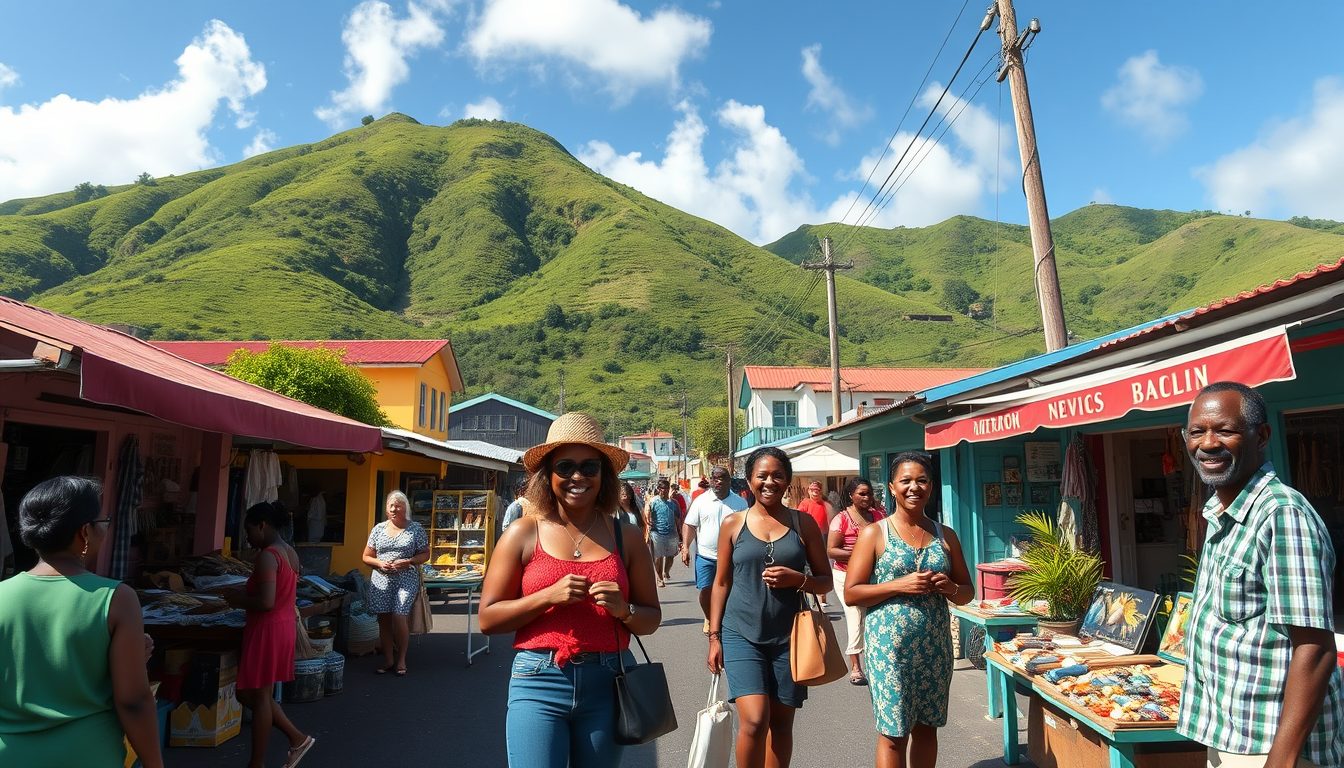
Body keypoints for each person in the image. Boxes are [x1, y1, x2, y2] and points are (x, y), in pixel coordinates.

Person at [479, 412, 662, 768]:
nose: (577, 477)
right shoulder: (522, 532)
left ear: (604, 476)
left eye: (589, 468)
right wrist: (547, 596)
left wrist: (623, 610)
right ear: (547, 475)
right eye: (565, 466)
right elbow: (488, 619)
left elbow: (651, 619)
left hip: (610, 681)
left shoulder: (626, 538)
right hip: (538, 681)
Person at [1177, 382, 1342, 768]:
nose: (1209, 443)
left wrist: (1280, 761)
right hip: (1232, 735)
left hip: (1273, 747)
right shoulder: (1223, 513)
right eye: (1197, 431)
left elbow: (1315, 648)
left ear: (1261, 435)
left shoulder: (1281, 515)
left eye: (1226, 430)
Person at [0, 476, 162, 768]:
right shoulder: (116, 599)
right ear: (84, 533)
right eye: (104, 521)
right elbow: (133, 701)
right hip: (87, 755)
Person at [843, 452, 973, 768]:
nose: (914, 487)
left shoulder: (946, 535)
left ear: (931, 486)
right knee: (894, 734)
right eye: (905, 481)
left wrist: (949, 588)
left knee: (927, 728)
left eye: (922, 480)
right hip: (890, 652)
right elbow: (851, 593)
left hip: (934, 649)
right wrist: (899, 585)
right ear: (891, 487)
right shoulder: (875, 533)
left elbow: (967, 593)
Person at [707, 446, 833, 768]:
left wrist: (798, 579)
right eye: (762, 475)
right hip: (740, 633)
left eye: (778, 475)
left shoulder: (803, 524)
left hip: (790, 638)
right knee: (754, 720)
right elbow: (721, 583)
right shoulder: (733, 524)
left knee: (780, 723)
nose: (769, 482)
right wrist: (715, 636)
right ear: (749, 480)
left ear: (788, 481)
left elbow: (824, 581)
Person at [235, 502, 315, 768]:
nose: (247, 537)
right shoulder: (289, 552)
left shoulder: (268, 555)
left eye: (249, 530)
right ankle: (297, 738)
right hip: (281, 626)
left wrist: (235, 598)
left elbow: (266, 601)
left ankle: (257, 763)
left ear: (262, 525)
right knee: (251, 694)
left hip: (267, 628)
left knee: (257, 697)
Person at [361, 490, 430, 676]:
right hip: (381, 580)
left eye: (397, 505)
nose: (393, 509)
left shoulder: (415, 529)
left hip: (406, 578)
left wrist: (409, 561)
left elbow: (425, 554)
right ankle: (388, 659)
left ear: (404, 507)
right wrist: (379, 563)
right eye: (390, 506)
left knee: (399, 614)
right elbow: (366, 556)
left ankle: (401, 659)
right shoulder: (378, 529)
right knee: (383, 619)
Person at [827, 477, 887, 686]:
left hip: (875, 575)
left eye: (869, 493)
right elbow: (831, 550)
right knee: (855, 615)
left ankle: (876, 660)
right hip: (847, 575)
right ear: (851, 495)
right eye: (861, 493)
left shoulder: (879, 515)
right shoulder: (841, 519)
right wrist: (860, 554)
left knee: (875, 616)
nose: (867, 497)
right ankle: (856, 666)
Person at [682, 466, 748, 631]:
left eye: (722, 478)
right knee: (706, 590)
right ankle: (710, 617)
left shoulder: (740, 503)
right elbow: (690, 525)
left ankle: (725, 619)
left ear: (729, 481)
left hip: (731, 557)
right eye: (714, 478)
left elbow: (747, 529)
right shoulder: (701, 501)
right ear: (710, 481)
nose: (718, 481)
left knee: (730, 590)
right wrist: (685, 547)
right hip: (705, 556)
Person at [797, 480, 837, 608]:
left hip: (824, 537)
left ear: (821, 491)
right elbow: (799, 521)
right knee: (810, 567)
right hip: (808, 538)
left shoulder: (826, 505)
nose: (815, 492)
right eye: (812, 490)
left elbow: (832, 521)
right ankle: (811, 598)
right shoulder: (804, 504)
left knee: (823, 567)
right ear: (808, 491)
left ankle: (822, 599)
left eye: (817, 490)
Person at [644, 477, 681, 588]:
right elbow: (646, 513)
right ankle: (659, 578)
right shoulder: (653, 501)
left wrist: (680, 533)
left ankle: (666, 571)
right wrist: (647, 520)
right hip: (656, 532)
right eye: (661, 488)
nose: (663, 490)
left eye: (666, 488)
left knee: (670, 556)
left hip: (671, 532)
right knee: (658, 557)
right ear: (658, 489)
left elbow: (678, 518)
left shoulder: (673, 503)